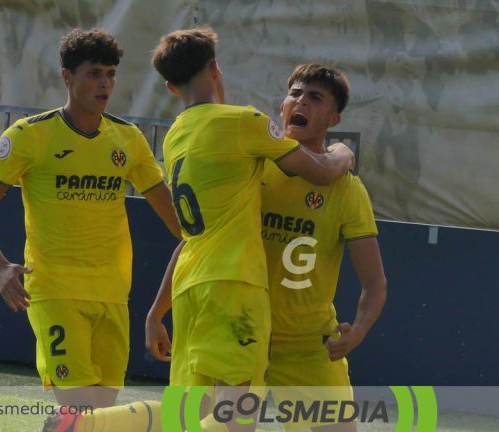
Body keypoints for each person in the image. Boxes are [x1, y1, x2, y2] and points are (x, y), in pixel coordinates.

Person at [40, 28, 354, 432]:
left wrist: (156, 312)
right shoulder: (245, 123)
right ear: (214, 68)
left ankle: (84, 425)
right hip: (234, 284)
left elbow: (193, 231)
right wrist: (344, 151)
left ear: (171, 87)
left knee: (188, 413)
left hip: (191, 286)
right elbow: (326, 172)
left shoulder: (176, 135)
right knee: (238, 416)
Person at [0, 28, 181, 415]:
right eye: (94, 73)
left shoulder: (128, 139)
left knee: (99, 414)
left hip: (113, 293)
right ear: (67, 76)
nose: (105, 83)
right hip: (56, 291)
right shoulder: (30, 136)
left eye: (111, 74)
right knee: (80, 408)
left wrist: (212, 239)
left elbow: (174, 217)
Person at [261, 64, 387, 432]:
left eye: (314, 97)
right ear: (283, 105)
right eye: (295, 93)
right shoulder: (252, 167)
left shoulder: (347, 190)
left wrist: (359, 330)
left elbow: (375, 282)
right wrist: (160, 310)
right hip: (242, 333)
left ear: (333, 118)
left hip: (307, 345)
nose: (300, 101)